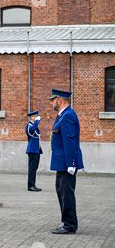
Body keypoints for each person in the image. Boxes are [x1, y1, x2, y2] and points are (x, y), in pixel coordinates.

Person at [49, 89, 83, 234]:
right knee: (61, 191)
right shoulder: (62, 115)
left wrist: (71, 163)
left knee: (66, 193)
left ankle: (69, 225)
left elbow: (69, 141)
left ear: (60, 100)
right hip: (61, 163)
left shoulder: (68, 115)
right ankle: (67, 222)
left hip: (66, 163)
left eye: (53, 100)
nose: (51, 103)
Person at [26, 110, 42, 192]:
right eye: (35, 116)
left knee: (34, 168)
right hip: (32, 149)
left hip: (36, 150)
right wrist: (37, 121)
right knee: (32, 169)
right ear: (32, 117)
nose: (36, 117)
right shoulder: (29, 125)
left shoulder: (33, 125)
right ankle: (31, 186)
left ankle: (32, 184)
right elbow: (32, 131)